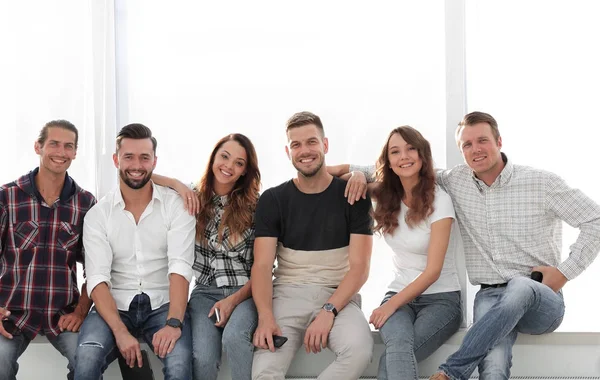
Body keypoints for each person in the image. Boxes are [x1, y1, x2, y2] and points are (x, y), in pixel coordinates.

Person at [340, 111, 600, 380]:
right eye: (467, 144)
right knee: (494, 365)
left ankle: (452, 372)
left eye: (482, 141)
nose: (475, 149)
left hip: (539, 296)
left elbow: (596, 219)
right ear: (461, 151)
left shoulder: (542, 183)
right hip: (490, 297)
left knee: (520, 286)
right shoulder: (456, 181)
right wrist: (356, 172)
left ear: (499, 141)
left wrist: (565, 272)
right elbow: (403, 169)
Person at [251, 111, 374, 380]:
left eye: (311, 142)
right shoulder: (273, 199)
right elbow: (261, 266)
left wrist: (329, 311)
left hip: (338, 296)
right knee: (264, 372)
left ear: (325, 145)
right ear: (288, 151)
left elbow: (361, 268)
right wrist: (265, 316)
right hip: (286, 295)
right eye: (296, 145)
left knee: (360, 349)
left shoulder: (354, 195)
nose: (304, 151)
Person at [74, 123, 195, 380]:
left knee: (181, 366)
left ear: (154, 161)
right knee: (85, 360)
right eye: (128, 157)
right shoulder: (98, 215)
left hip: (164, 304)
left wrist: (174, 323)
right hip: (113, 305)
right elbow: (97, 278)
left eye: (144, 157)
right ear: (116, 159)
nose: (136, 165)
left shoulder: (176, 206)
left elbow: (180, 267)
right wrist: (119, 332)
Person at [153, 133, 261, 380]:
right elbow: (143, 176)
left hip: (245, 292)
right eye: (224, 156)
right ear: (213, 157)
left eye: (239, 163)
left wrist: (233, 300)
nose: (229, 166)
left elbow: (263, 269)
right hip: (204, 293)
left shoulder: (256, 207)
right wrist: (178, 184)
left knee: (235, 338)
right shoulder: (191, 196)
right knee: (202, 357)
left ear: (245, 171)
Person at [363, 126, 462, 380]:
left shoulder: (440, 200)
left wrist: (390, 307)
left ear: (422, 155)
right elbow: (329, 174)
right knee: (397, 348)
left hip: (441, 299)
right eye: (395, 152)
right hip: (398, 292)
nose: (403, 156)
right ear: (389, 162)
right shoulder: (385, 195)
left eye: (410, 149)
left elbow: (433, 271)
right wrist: (355, 175)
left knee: (392, 359)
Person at [0, 120, 95, 380]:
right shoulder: (6, 196)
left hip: (63, 314)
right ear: (38, 147)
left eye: (68, 146)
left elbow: (96, 267)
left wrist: (81, 310)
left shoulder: (85, 203)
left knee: (88, 361)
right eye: (54, 144)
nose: (61, 152)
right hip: (12, 312)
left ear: (75, 153)